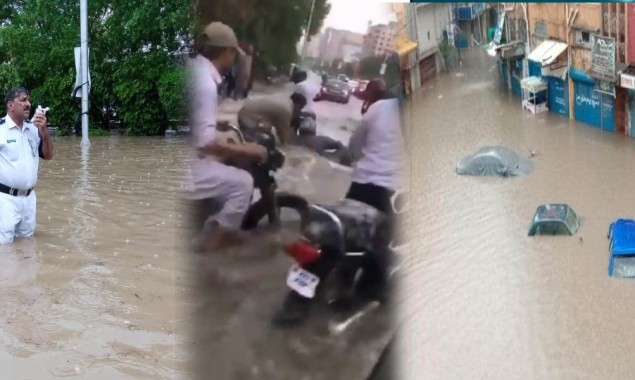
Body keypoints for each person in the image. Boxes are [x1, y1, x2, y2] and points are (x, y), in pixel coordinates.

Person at [272, 79, 404, 326]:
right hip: (390, 194)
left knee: (339, 239)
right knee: (379, 255)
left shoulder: (378, 109)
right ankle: (365, 294)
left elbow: (354, 147)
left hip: (361, 187)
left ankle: (315, 293)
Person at [186, 21, 268, 253]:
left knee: (222, 157)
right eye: (234, 53)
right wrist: (248, 150)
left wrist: (220, 129)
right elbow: (205, 143)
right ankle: (210, 245)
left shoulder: (194, 70)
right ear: (228, 52)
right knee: (243, 183)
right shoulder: (205, 84)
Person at [0, 87, 54, 244]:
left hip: (29, 199)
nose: (28, 104)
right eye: (23, 100)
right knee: (4, 248)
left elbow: (49, 156)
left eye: (28, 100)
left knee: (27, 245)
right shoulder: (1, 129)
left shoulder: (34, 129)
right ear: (11, 105)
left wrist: (44, 132)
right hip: (5, 199)